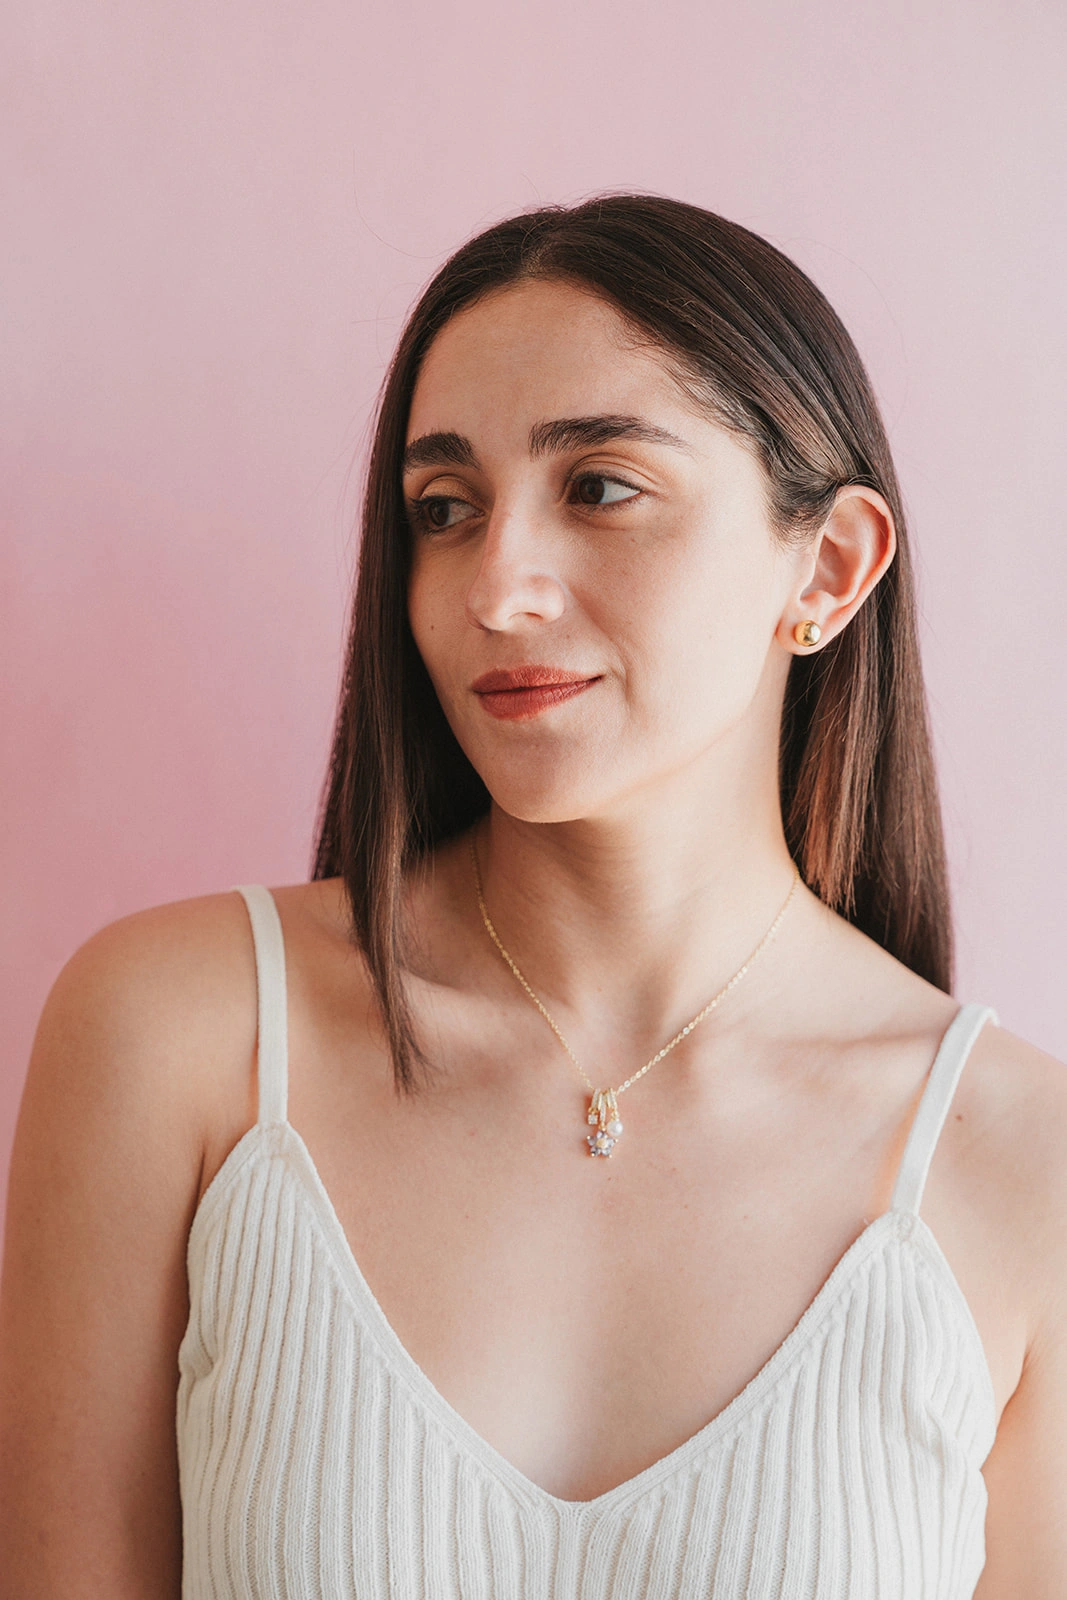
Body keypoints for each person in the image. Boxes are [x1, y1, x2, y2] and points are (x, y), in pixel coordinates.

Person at [1, 194, 1065, 1599]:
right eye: (444, 510)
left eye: (600, 486)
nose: (495, 591)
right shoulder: (179, 1035)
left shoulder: (1023, 1167)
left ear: (826, 567)